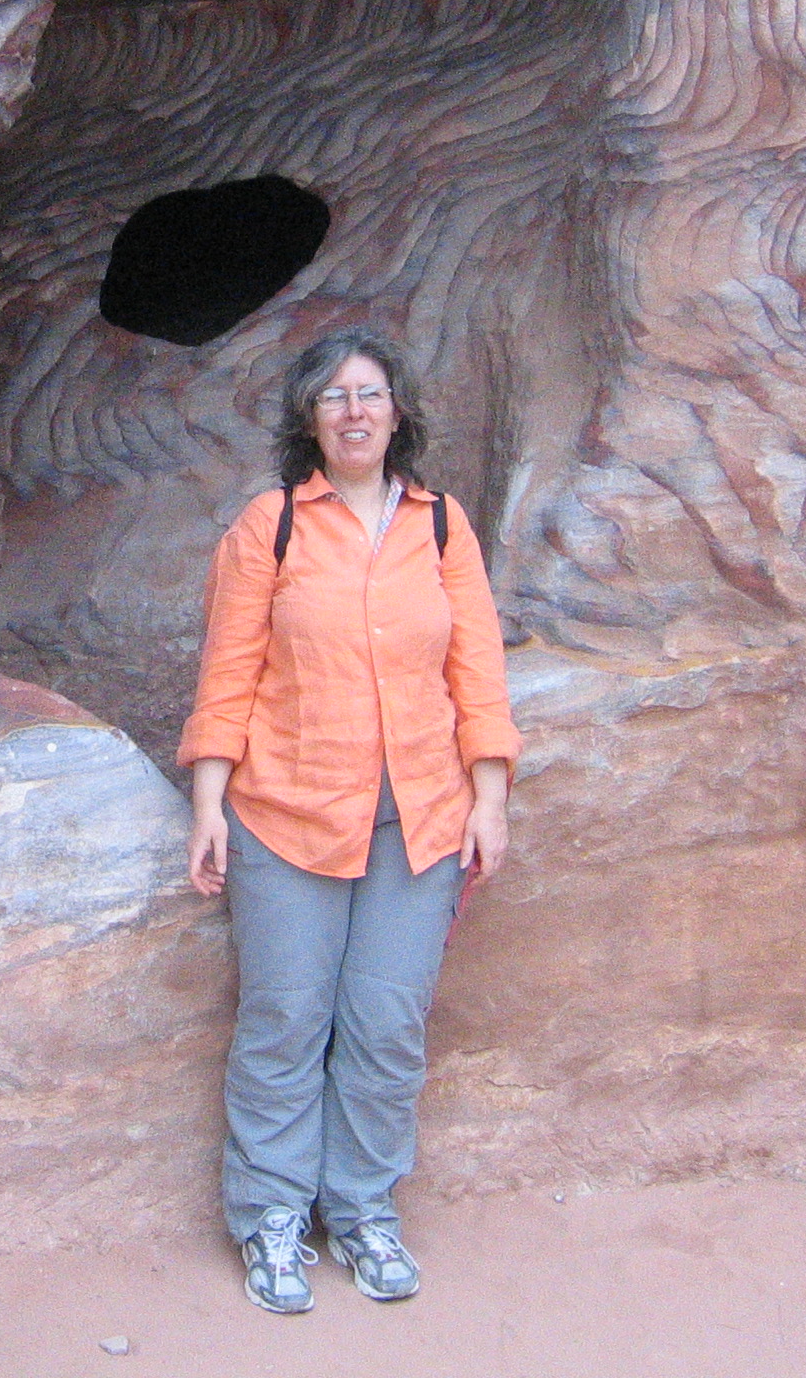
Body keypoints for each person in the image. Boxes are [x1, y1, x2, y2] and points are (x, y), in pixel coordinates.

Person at [178, 326, 521, 1313]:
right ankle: (272, 1215)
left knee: (385, 1024)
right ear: (310, 420)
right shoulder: (271, 526)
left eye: (369, 393)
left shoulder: (443, 528)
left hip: (419, 823)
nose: (355, 411)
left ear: (398, 411)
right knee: (286, 1018)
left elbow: (478, 674)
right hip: (286, 814)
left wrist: (490, 799)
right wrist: (208, 805)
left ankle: (364, 1208)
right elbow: (228, 674)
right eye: (333, 397)